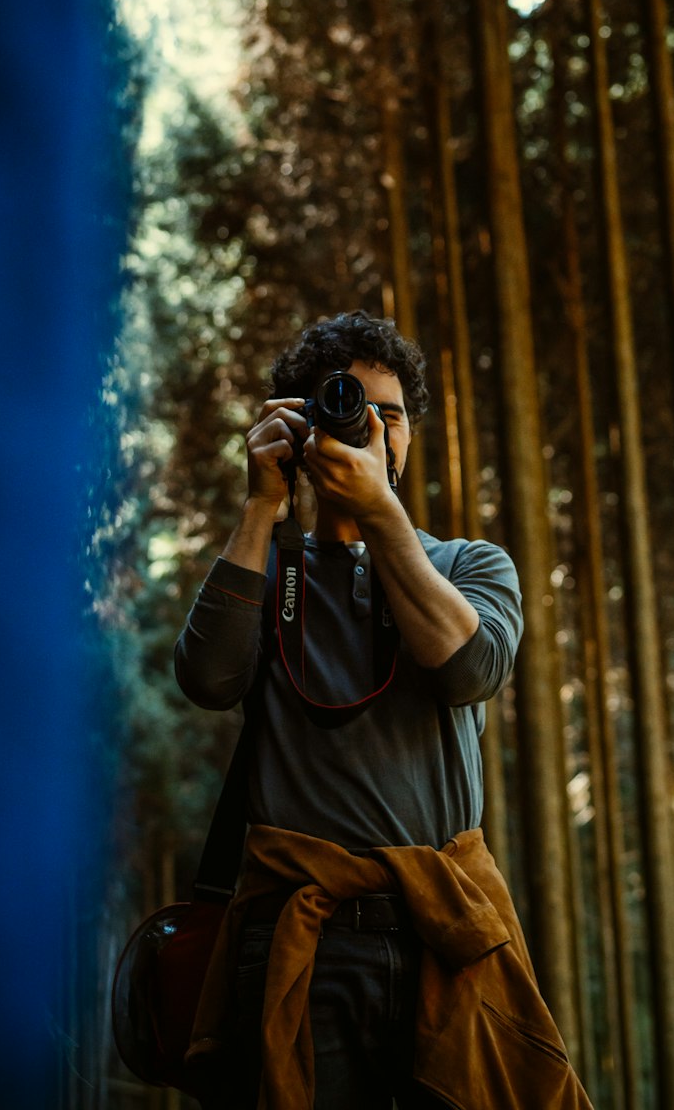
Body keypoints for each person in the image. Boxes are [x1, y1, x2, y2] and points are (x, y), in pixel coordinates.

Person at [174, 310, 592, 1109]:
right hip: (300, 944)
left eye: (390, 414)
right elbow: (208, 681)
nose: (368, 426)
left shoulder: (470, 564)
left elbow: (470, 667)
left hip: (446, 937)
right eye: (345, 403)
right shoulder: (260, 569)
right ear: (292, 427)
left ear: (406, 440)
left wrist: (380, 517)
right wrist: (261, 509)